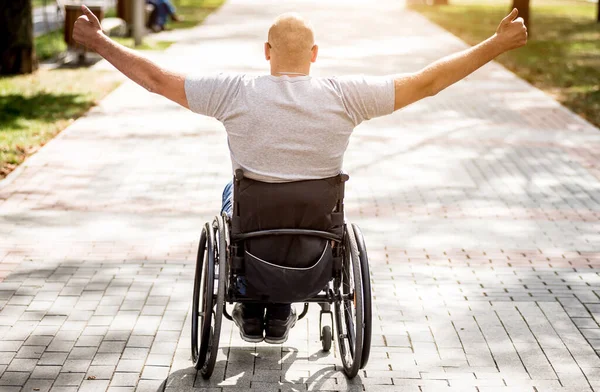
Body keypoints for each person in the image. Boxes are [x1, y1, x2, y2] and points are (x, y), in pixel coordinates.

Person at [72, 5, 527, 344]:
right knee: (302, 198)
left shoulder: (234, 92)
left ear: (266, 52)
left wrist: (99, 41)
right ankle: (280, 305)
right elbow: (427, 81)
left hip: (254, 221)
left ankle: (255, 305)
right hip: (317, 227)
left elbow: (154, 78)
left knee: (235, 191)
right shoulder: (346, 96)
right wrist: (496, 43)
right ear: (314, 54)